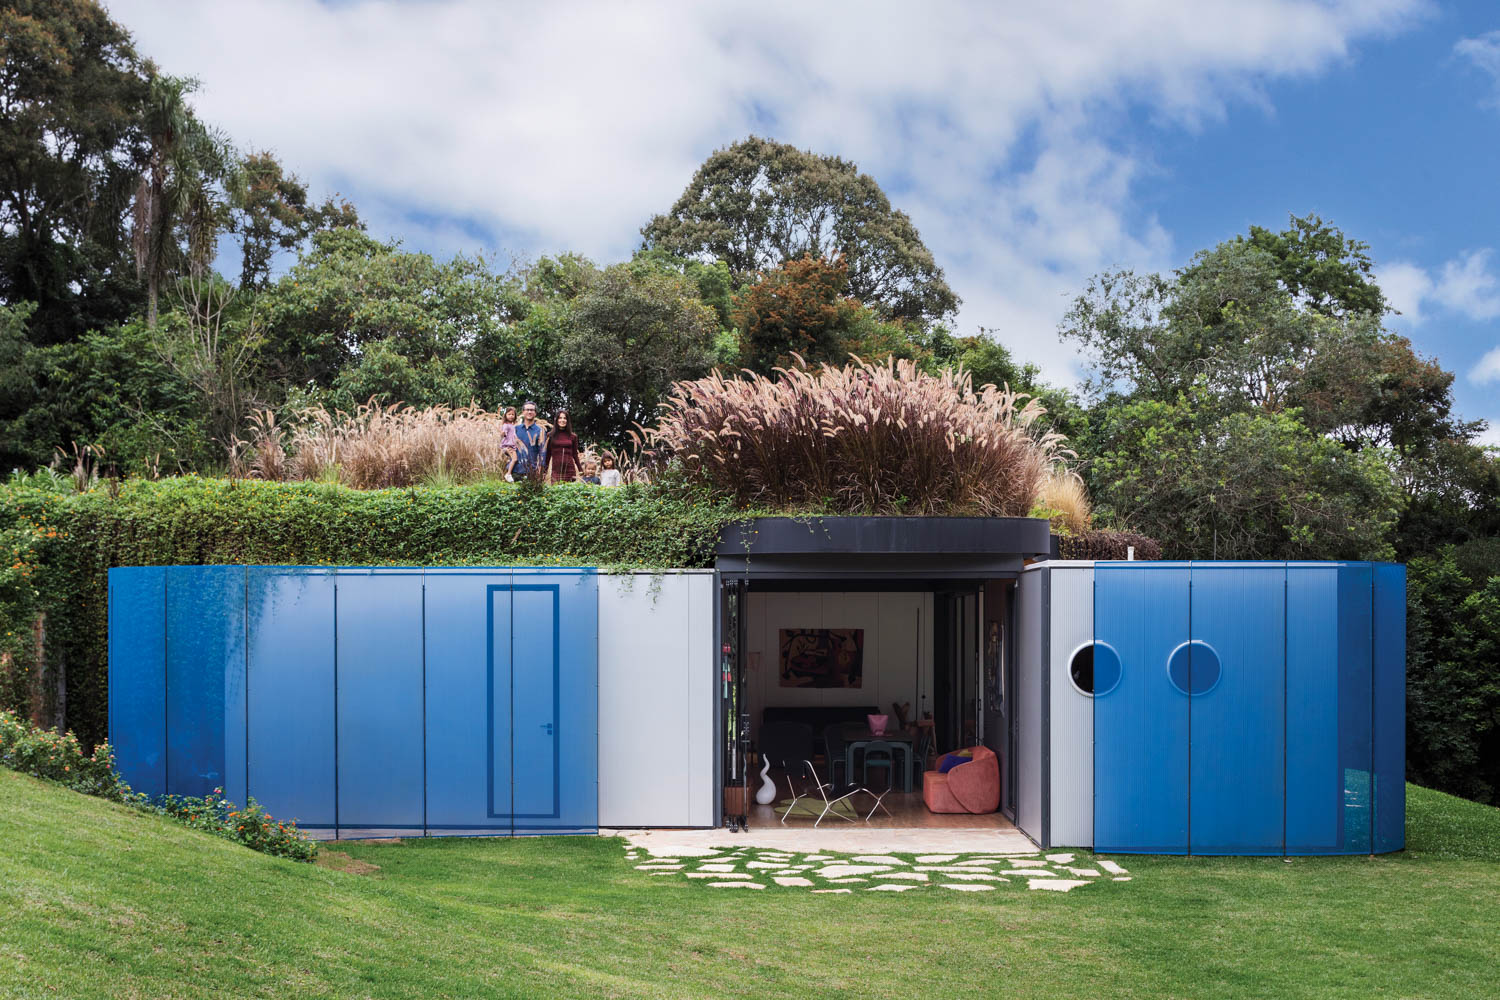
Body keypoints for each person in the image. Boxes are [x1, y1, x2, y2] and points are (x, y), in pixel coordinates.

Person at [513, 401, 547, 477]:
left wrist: (540, 469)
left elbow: (543, 452)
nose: (529, 412)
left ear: (535, 413)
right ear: (523, 412)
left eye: (532, 410)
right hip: (516, 470)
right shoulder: (515, 429)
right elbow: (508, 446)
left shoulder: (540, 431)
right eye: (527, 410)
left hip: (533, 472)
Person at [545, 409, 580, 482]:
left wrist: (580, 469)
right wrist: (544, 471)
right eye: (560, 418)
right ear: (556, 420)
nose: (562, 420)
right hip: (556, 471)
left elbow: (575, 455)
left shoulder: (573, 436)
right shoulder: (550, 436)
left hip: (570, 471)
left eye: (565, 418)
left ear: (567, 421)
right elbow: (548, 455)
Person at [499, 405, 520, 482]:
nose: (511, 416)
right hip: (508, 446)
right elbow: (504, 433)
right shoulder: (506, 425)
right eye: (509, 414)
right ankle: (508, 474)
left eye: (512, 414)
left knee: (512, 459)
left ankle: (509, 473)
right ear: (505, 415)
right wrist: (503, 434)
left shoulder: (512, 425)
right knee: (514, 459)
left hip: (512, 445)